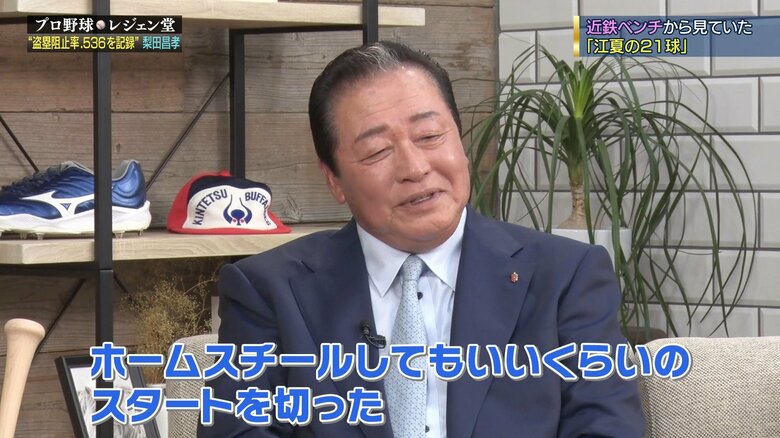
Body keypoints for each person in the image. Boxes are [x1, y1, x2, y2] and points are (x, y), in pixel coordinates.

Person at [199, 41, 645, 437]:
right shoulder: (267, 291)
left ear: (460, 141)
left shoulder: (566, 278)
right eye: (377, 151)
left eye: (430, 136)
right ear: (334, 179)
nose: (414, 168)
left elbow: (607, 428)